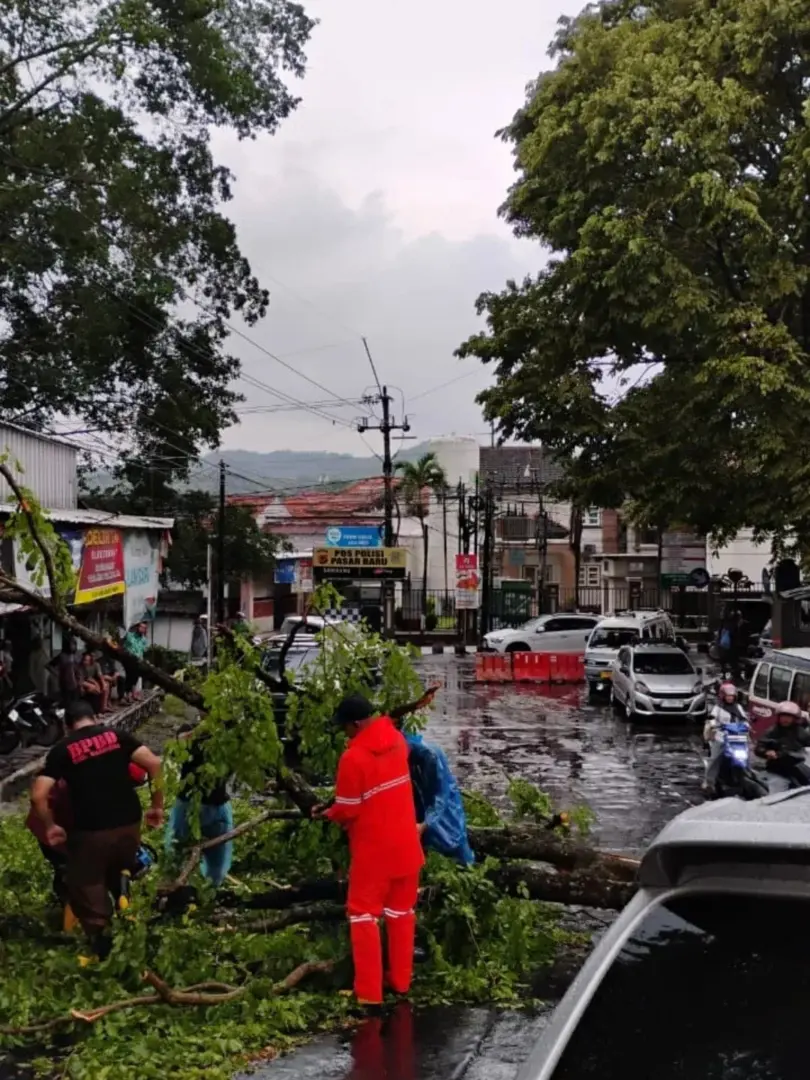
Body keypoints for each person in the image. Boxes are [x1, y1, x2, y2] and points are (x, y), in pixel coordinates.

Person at [315, 694, 424, 1006]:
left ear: (356, 724)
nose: (344, 733)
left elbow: (348, 809)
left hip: (374, 854)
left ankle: (369, 994)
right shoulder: (398, 741)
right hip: (407, 847)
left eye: (345, 727)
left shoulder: (353, 759)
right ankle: (400, 983)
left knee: (363, 917)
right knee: (401, 914)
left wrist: (328, 813)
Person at [30, 700, 163, 957]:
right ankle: (125, 903)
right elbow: (154, 764)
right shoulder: (118, 736)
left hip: (91, 831)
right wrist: (157, 806)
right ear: (95, 717)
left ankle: (104, 948)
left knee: (86, 883)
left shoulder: (62, 750)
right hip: (130, 826)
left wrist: (50, 826)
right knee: (117, 864)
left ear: (67, 726)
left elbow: (38, 796)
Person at [164, 723, 233, 888]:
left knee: (217, 861)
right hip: (187, 805)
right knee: (177, 854)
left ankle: (211, 891)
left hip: (218, 805)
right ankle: (173, 890)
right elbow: (177, 750)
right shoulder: (189, 729)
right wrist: (205, 727)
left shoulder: (229, 732)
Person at [702, 682, 748, 793]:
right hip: (721, 737)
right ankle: (709, 782)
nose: (730, 698)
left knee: (745, 756)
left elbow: (744, 719)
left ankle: (746, 778)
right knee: (715, 759)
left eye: (732, 696)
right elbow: (712, 718)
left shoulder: (738, 707)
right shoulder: (718, 708)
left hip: (736, 737)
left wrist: (746, 725)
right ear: (723, 696)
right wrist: (714, 725)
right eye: (728, 696)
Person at [122, 622, 149, 702]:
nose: (142, 629)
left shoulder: (144, 639)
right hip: (129, 659)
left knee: (135, 677)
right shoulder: (130, 636)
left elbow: (143, 650)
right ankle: (128, 695)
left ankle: (133, 694)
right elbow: (124, 645)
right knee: (129, 676)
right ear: (137, 628)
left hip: (138, 661)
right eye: (141, 627)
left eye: (144, 628)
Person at [78, 650, 109, 714]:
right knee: (93, 689)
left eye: (87, 660)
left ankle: (103, 708)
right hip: (83, 682)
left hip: (92, 680)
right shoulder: (80, 666)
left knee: (106, 686)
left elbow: (100, 675)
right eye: (84, 660)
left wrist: (103, 684)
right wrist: (92, 685)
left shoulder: (96, 664)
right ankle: (95, 712)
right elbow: (80, 680)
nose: (85, 662)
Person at [51, 637, 79, 706]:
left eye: (74, 644)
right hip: (65, 682)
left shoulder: (75, 656)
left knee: (75, 702)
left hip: (75, 682)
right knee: (66, 701)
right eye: (72, 644)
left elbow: (78, 668)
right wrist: (57, 674)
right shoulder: (62, 656)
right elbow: (49, 665)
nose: (73, 646)